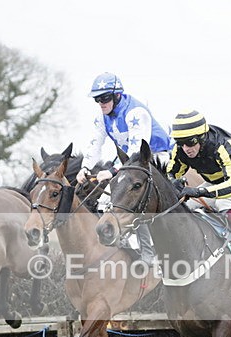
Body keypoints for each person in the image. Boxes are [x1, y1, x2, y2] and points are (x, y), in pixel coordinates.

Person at [75, 72, 175, 266]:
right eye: (97, 99)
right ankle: (122, 243)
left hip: (156, 157)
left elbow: (136, 152)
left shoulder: (136, 113)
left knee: (134, 199)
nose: (101, 103)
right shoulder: (102, 118)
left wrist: (112, 172)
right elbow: (95, 144)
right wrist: (84, 168)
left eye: (104, 98)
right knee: (106, 202)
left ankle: (149, 252)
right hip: (130, 162)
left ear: (117, 95)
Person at [166, 109, 231, 273]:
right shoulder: (180, 149)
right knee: (181, 207)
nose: (186, 148)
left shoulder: (222, 145)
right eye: (181, 142)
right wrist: (174, 182)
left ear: (201, 137)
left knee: (224, 205)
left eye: (191, 142)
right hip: (214, 181)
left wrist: (199, 191)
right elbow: (170, 173)